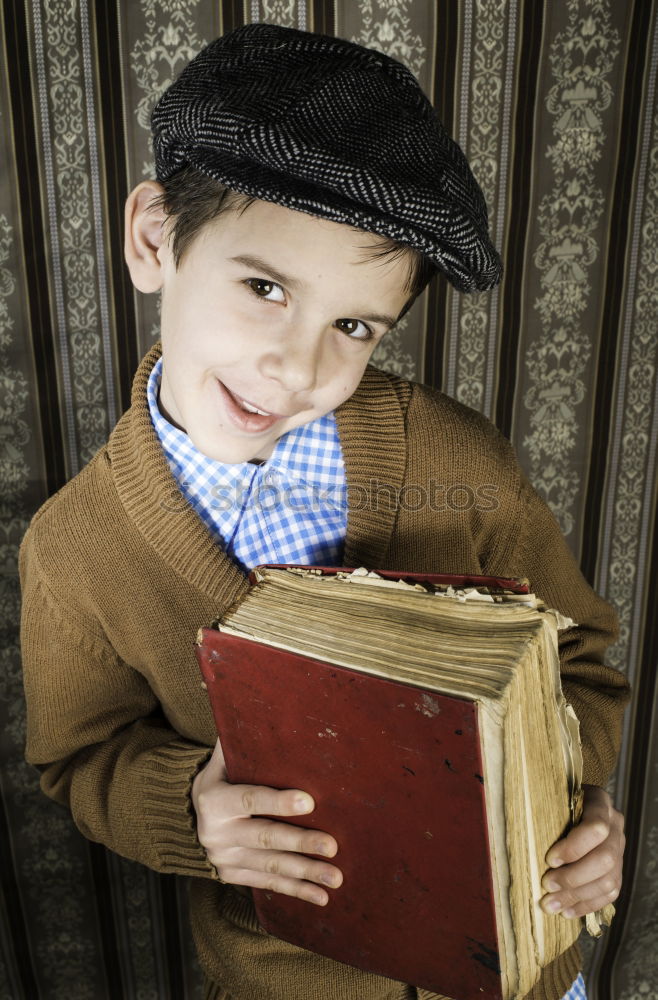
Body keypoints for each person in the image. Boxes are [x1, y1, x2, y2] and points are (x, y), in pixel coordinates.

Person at [20, 22, 628, 1000]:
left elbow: (582, 673)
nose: (298, 366)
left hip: (524, 964)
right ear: (153, 240)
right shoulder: (73, 552)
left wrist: (576, 799)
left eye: (352, 326)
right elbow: (81, 756)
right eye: (264, 287)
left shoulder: (459, 464)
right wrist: (188, 806)